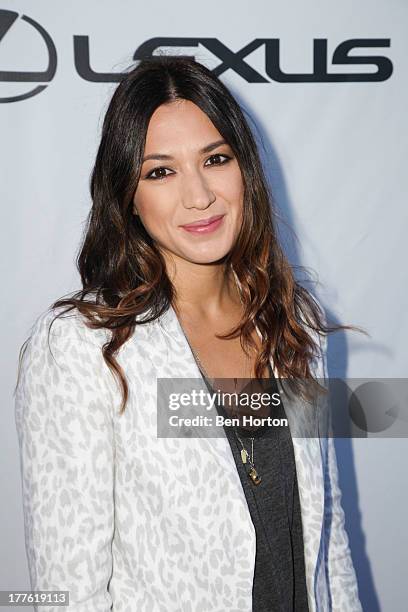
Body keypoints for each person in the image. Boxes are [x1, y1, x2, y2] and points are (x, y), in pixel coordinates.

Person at [14, 55, 363, 611]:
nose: (199, 196)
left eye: (215, 159)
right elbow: (67, 591)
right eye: (161, 171)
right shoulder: (83, 347)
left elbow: (327, 539)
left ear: (245, 169)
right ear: (127, 194)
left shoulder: (294, 322)